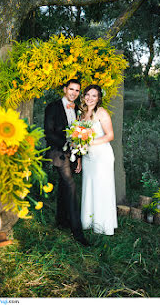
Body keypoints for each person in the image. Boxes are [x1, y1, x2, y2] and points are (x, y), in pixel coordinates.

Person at [44, 79, 89, 246]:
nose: (74, 93)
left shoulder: (78, 110)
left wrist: (79, 157)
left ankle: (61, 221)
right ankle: (77, 232)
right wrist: (67, 142)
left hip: (72, 155)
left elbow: (81, 136)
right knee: (70, 186)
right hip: (58, 153)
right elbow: (48, 133)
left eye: (77, 91)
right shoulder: (53, 107)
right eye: (71, 89)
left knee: (64, 186)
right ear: (64, 89)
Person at [76, 85, 117, 235]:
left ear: (99, 98)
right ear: (84, 96)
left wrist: (90, 143)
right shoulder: (81, 114)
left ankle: (103, 226)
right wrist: (79, 157)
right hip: (88, 157)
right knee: (89, 187)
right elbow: (78, 137)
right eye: (87, 94)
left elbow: (110, 135)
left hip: (101, 156)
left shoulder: (101, 112)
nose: (90, 98)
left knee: (101, 188)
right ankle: (88, 222)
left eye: (94, 96)